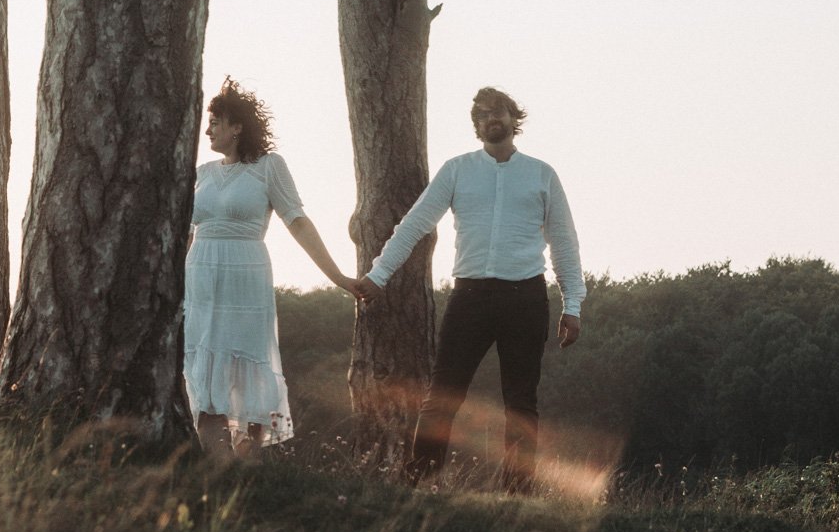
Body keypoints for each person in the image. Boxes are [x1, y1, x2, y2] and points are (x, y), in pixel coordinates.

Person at [358, 85, 585, 490]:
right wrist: (378, 276)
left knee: (520, 402)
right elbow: (413, 225)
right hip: (471, 298)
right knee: (442, 396)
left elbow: (564, 242)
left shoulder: (541, 175)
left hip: (526, 298)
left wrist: (574, 305)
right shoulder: (457, 170)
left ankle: (517, 494)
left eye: (497, 111)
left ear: (515, 119)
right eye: (481, 114)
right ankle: (419, 484)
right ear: (475, 126)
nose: (489, 118)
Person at [185, 78, 365, 458]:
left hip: (246, 278)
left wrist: (339, 278)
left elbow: (298, 221)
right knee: (205, 378)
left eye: (216, 121)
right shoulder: (201, 173)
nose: (208, 129)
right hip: (200, 280)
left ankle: (247, 470)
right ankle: (219, 475)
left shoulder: (269, 167)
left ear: (237, 127)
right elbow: (185, 234)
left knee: (250, 374)